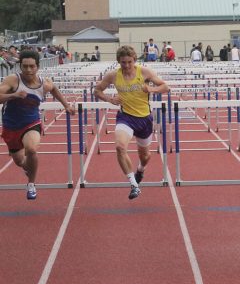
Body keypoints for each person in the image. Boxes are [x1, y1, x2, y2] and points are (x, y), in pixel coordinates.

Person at [93, 46, 169, 200]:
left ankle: (140, 170)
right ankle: (134, 185)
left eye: (129, 62)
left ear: (135, 60)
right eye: (123, 63)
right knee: (120, 147)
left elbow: (165, 87)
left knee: (145, 156)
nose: (126, 66)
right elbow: (97, 90)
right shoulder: (113, 75)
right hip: (125, 117)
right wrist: (110, 99)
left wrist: (151, 89)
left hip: (145, 119)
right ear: (118, 62)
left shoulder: (144, 72)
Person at [0, 49, 75, 200]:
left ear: (37, 67)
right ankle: (28, 168)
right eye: (25, 66)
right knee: (20, 161)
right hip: (11, 126)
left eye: (31, 66)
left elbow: (54, 89)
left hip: (31, 122)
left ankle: (31, 184)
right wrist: (13, 95)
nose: (28, 70)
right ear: (20, 66)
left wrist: (66, 105)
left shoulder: (44, 83)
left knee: (32, 149)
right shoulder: (12, 80)